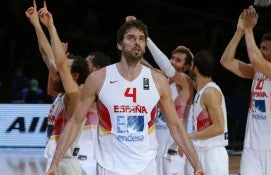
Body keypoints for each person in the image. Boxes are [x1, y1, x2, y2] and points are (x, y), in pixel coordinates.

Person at [46, 17, 205, 175]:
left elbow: (176, 126)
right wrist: (54, 163)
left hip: (146, 166)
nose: (137, 42)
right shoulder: (98, 79)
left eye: (141, 39)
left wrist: (197, 165)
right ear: (119, 44)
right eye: (131, 38)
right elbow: (74, 122)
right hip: (109, 167)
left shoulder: (158, 81)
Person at [220, 6, 271, 175]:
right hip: (251, 147)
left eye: (264, 48)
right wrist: (239, 31)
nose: (259, 51)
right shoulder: (256, 72)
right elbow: (226, 61)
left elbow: (257, 60)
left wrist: (249, 29)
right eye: (259, 47)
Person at [25, 1, 89, 174]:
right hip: (56, 160)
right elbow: (48, 57)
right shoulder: (62, 94)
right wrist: (37, 25)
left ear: (74, 76)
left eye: (66, 68)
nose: (60, 68)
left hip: (66, 163)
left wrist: (51, 27)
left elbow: (59, 63)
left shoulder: (76, 94)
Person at [146, 41, 194, 174]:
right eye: (171, 58)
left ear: (186, 67)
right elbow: (148, 68)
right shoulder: (163, 81)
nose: (172, 62)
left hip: (174, 149)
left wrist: (147, 39)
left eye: (178, 60)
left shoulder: (185, 82)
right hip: (158, 150)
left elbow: (166, 69)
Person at [185, 50, 229, 175]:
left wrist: (188, 137)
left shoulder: (210, 92)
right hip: (201, 151)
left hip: (212, 154)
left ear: (196, 69)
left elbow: (219, 127)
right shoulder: (201, 89)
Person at [77, 51, 111, 175]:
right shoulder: (82, 88)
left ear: (96, 69)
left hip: (99, 158)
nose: (82, 67)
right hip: (87, 156)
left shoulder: (108, 93)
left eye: (86, 64)